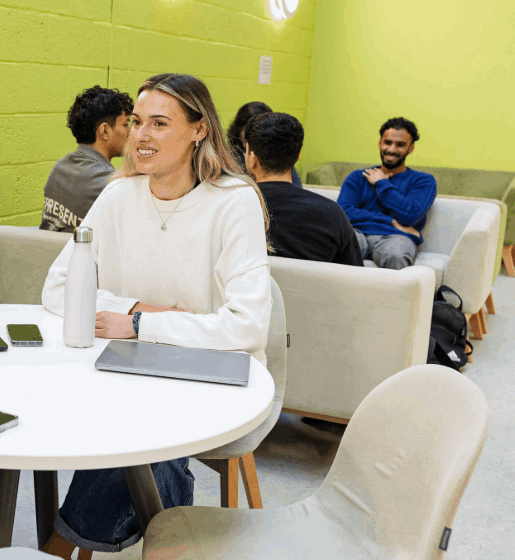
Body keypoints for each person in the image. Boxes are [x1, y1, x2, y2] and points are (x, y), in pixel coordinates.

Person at [40, 74, 272, 556]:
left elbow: (248, 325)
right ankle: (162, 539)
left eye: (160, 123)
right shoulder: (119, 194)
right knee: (134, 430)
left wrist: (144, 325)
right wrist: (137, 310)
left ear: (199, 129)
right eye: (137, 122)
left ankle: (59, 546)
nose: (141, 137)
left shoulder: (234, 200)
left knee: (141, 433)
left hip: (208, 372)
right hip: (127, 364)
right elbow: (58, 287)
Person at [243, 112, 363, 266]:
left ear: (252, 159)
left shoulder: (233, 208)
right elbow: (355, 276)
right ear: (297, 156)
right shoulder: (333, 215)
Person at [337, 117, 436, 269]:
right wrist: (391, 221)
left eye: (400, 145)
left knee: (395, 255)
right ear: (379, 143)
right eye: (387, 142)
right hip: (357, 233)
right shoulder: (358, 177)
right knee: (335, 245)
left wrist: (382, 183)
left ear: (411, 148)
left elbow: (410, 214)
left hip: (397, 237)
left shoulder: (423, 181)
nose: (391, 149)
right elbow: (342, 212)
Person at [39, 86, 134, 232]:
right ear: (104, 131)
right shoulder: (109, 182)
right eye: (126, 124)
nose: (131, 132)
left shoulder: (59, 167)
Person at [227, 101, 303, 187]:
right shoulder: (227, 156)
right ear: (240, 129)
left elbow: (296, 186)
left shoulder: (278, 151)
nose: (255, 135)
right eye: (250, 130)